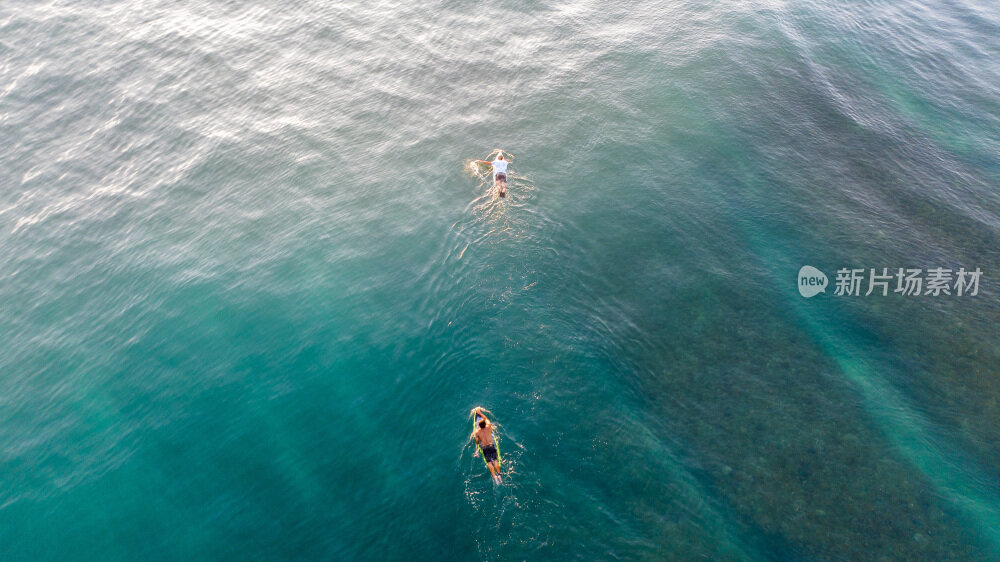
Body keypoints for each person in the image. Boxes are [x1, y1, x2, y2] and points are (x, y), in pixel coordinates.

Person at [472, 407, 501, 482]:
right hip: (491, 446)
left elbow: (477, 442)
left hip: (485, 448)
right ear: (485, 424)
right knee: (495, 460)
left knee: (489, 462)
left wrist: (476, 451)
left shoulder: (477, 432)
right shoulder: (488, 426)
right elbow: (486, 419)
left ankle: (494, 477)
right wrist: (480, 413)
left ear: (479, 426)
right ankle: (499, 475)